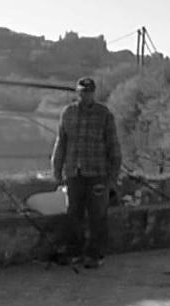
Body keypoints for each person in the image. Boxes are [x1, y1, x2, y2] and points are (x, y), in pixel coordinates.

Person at [51, 77, 122, 268]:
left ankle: (95, 255)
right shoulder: (68, 112)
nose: (85, 95)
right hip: (74, 172)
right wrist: (57, 169)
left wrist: (114, 177)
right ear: (77, 92)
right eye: (82, 92)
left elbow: (113, 145)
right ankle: (74, 251)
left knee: (97, 215)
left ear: (94, 93)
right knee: (73, 213)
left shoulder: (104, 114)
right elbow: (61, 142)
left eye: (89, 92)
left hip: (98, 173)